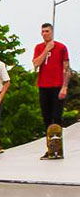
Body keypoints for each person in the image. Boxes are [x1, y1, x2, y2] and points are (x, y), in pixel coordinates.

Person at [32, 23, 70, 159]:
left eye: (47, 31)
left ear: (52, 32)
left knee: (57, 117)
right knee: (46, 118)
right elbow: (36, 64)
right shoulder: (39, 47)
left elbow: (67, 68)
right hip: (43, 86)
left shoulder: (61, 47)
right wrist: (46, 49)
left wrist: (64, 86)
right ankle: (50, 148)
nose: (44, 34)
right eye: (42, 31)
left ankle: (58, 148)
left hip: (57, 86)